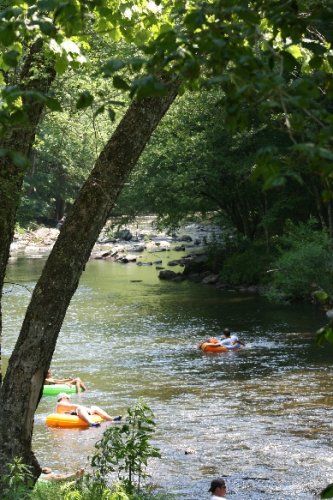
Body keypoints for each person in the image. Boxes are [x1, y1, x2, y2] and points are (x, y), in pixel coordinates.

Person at [56, 393, 122, 427]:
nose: (69, 400)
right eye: (68, 398)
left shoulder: (64, 404)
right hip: (71, 417)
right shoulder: (60, 404)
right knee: (80, 408)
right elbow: (73, 406)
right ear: (63, 397)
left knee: (94, 407)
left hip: (78, 414)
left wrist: (89, 410)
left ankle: (112, 419)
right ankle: (90, 423)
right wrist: (88, 410)